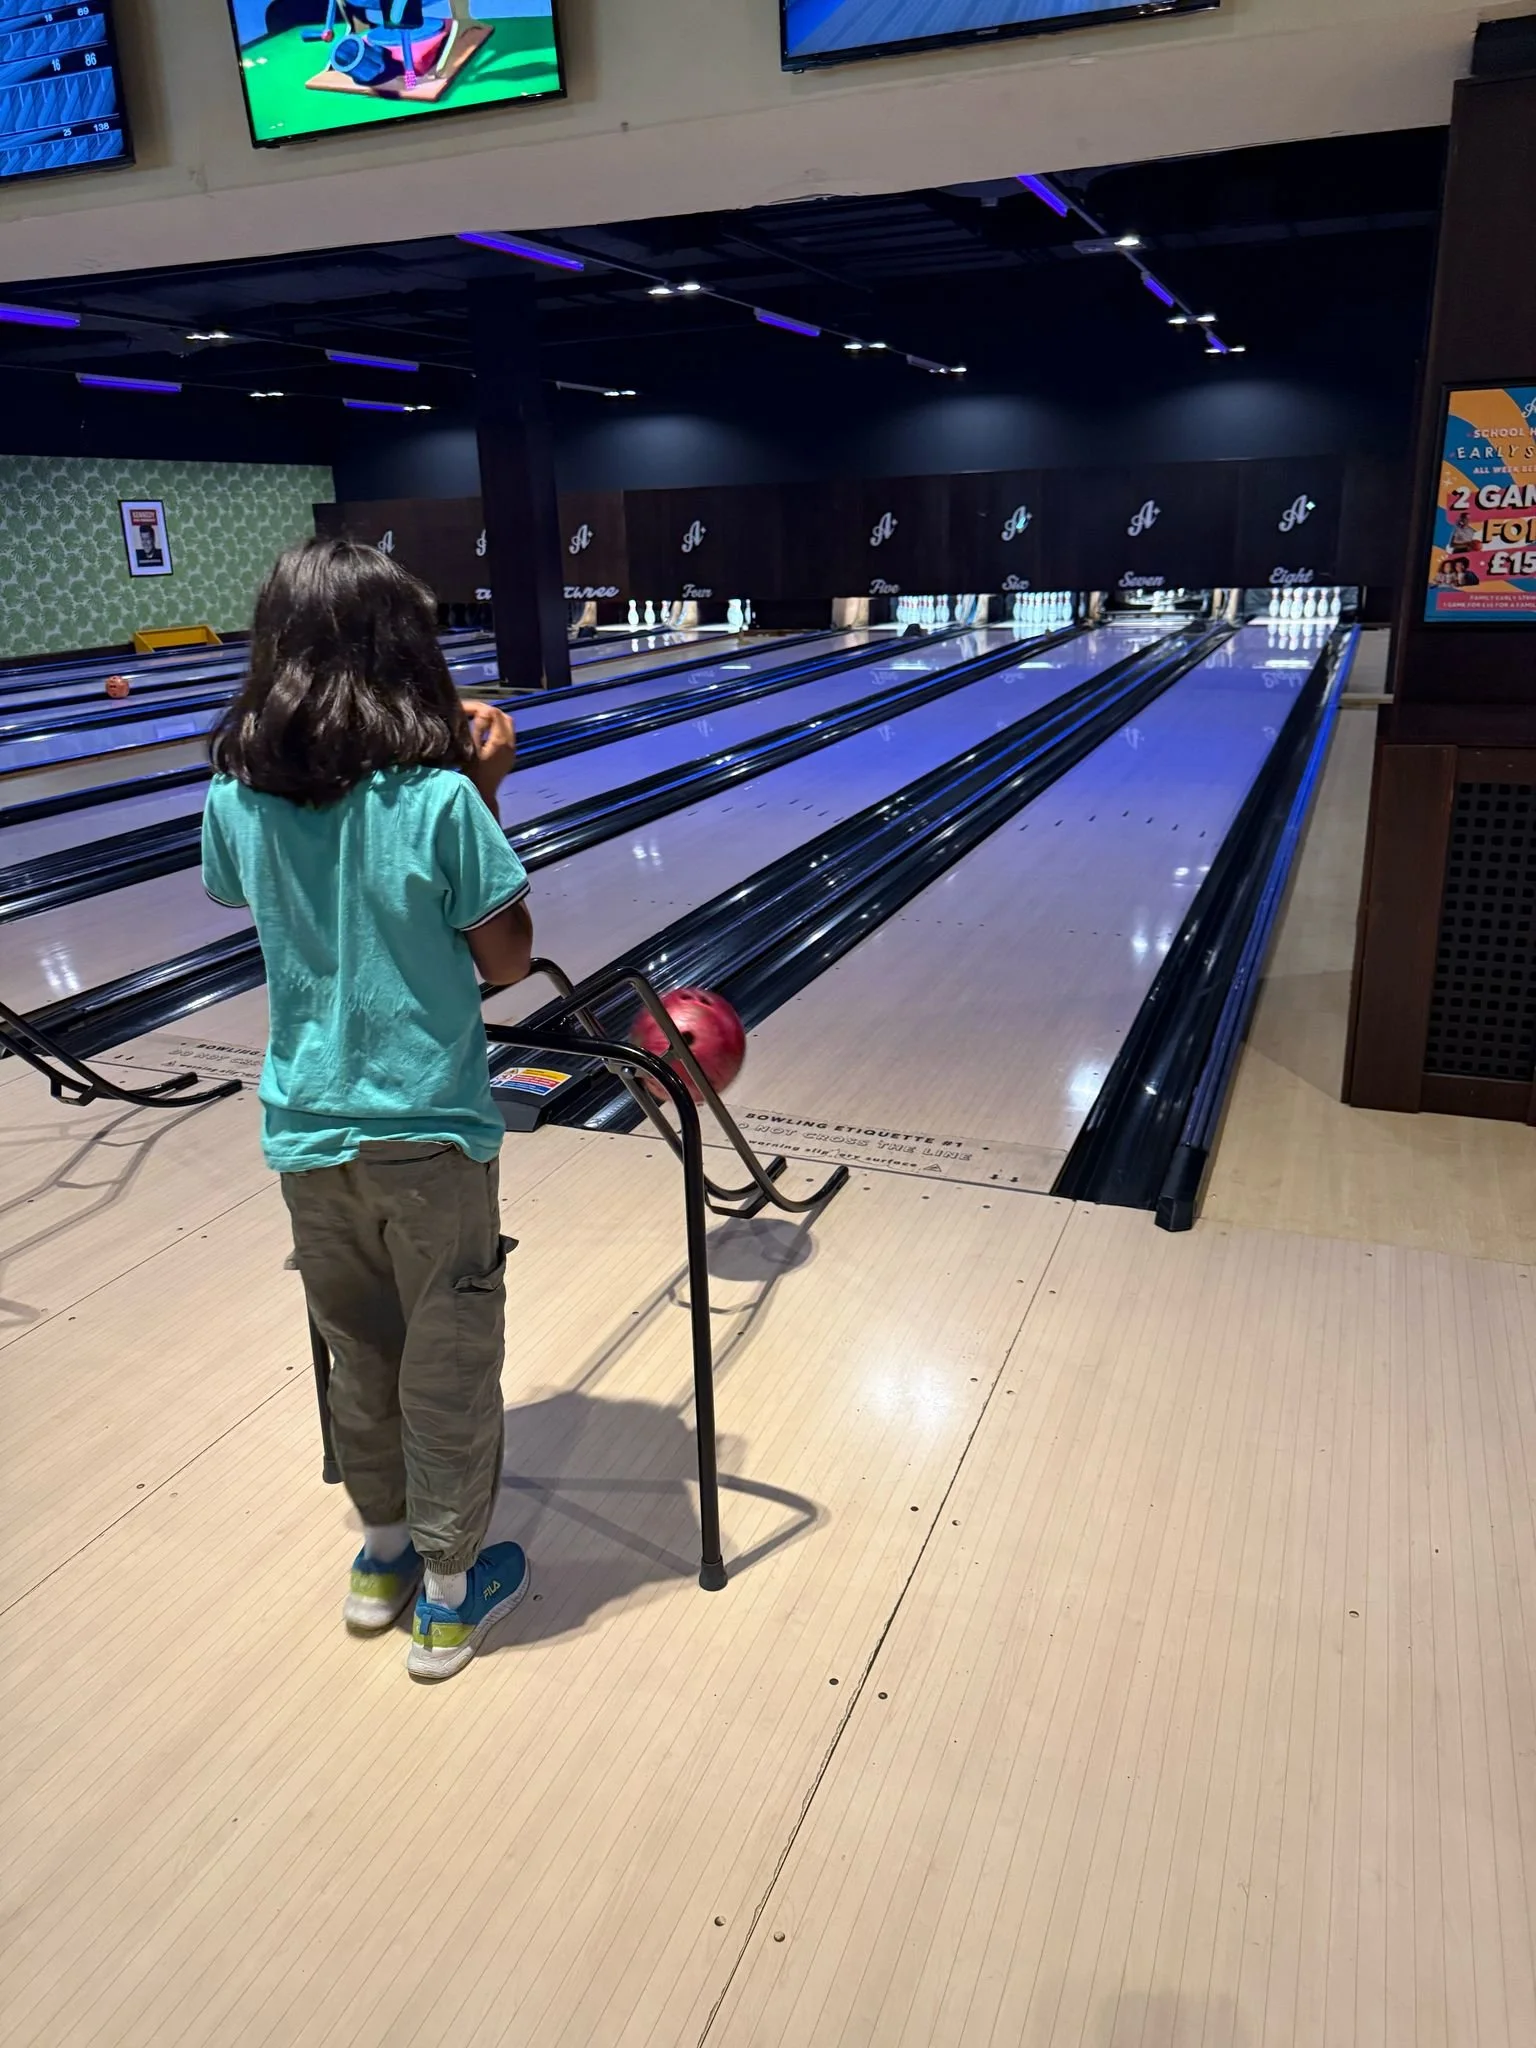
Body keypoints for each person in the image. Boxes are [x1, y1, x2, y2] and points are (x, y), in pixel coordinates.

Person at [202, 536, 534, 1682]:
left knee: (357, 1346)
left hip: (304, 1130)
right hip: (428, 1128)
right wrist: (482, 792)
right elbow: (504, 959)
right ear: (410, 660)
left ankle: (380, 1554)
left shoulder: (235, 795)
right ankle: (450, 1595)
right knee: (447, 1349)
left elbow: (245, 885)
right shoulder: (442, 798)